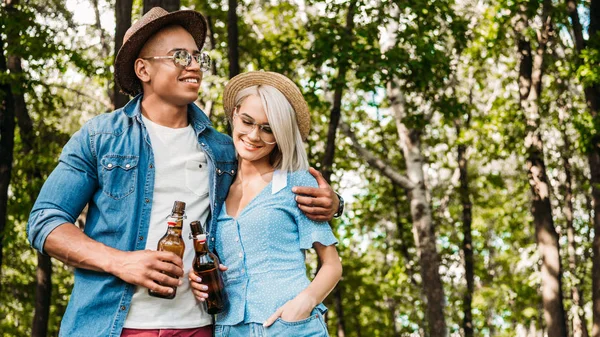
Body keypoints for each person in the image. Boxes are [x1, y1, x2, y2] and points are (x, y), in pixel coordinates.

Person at [26, 8, 341, 337]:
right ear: (143, 69)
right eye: (179, 56)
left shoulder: (222, 150)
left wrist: (334, 203)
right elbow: (45, 220)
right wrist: (120, 261)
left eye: (197, 57)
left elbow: (269, 187)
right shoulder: (100, 137)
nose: (194, 65)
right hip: (112, 325)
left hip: (201, 327)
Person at [189, 71, 343, 337]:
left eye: (268, 128)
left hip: (291, 326)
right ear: (235, 114)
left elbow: (332, 264)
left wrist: (301, 306)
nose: (253, 135)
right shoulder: (216, 188)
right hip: (229, 328)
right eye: (247, 121)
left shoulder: (296, 182)